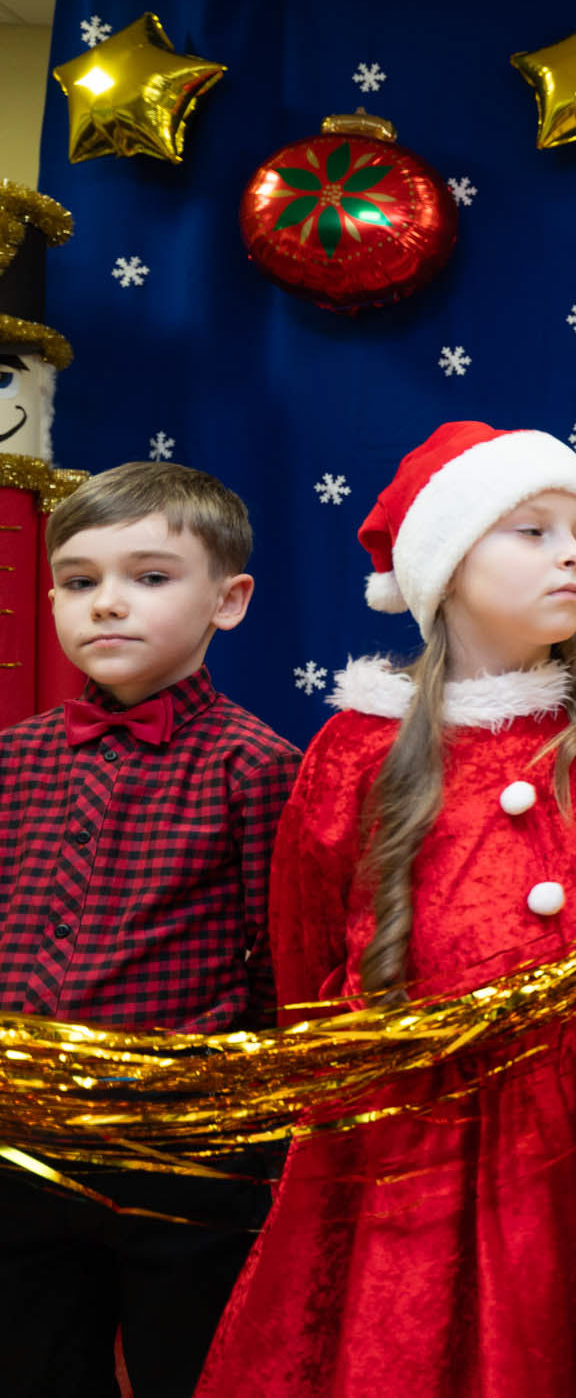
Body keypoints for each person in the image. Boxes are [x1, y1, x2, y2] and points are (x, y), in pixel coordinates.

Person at [196, 422, 576, 1398]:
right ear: (444, 564)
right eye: (531, 530)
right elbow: (305, 948)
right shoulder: (354, 752)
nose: (572, 552)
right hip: (416, 1128)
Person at [0, 461, 299, 1398]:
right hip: (22, 1137)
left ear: (229, 600)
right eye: (82, 583)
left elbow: (279, 970)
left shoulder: (257, 767)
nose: (107, 606)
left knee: (189, 1366)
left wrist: (240, 1122)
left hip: (184, 1148)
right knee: (34, 1360)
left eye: (150, 577)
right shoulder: (13, 760)